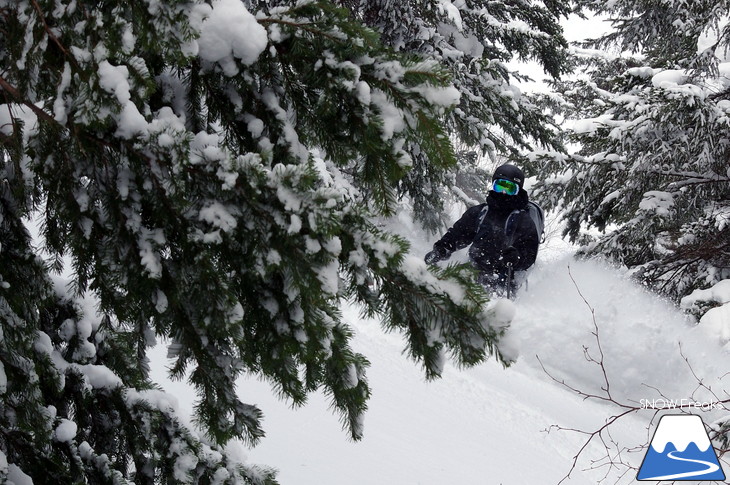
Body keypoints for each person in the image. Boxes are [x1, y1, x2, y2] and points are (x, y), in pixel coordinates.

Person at [424, 164, 539, 295]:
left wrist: (516, 257)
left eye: (510, 189)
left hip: (505, 282)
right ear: (493, 185)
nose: (503, 192)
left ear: (518, 191)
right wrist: (441, 249)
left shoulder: (523, 220)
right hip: (473, 274)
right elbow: (458, 235)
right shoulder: (480, 213)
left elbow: (529, 253)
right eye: (500, 186)